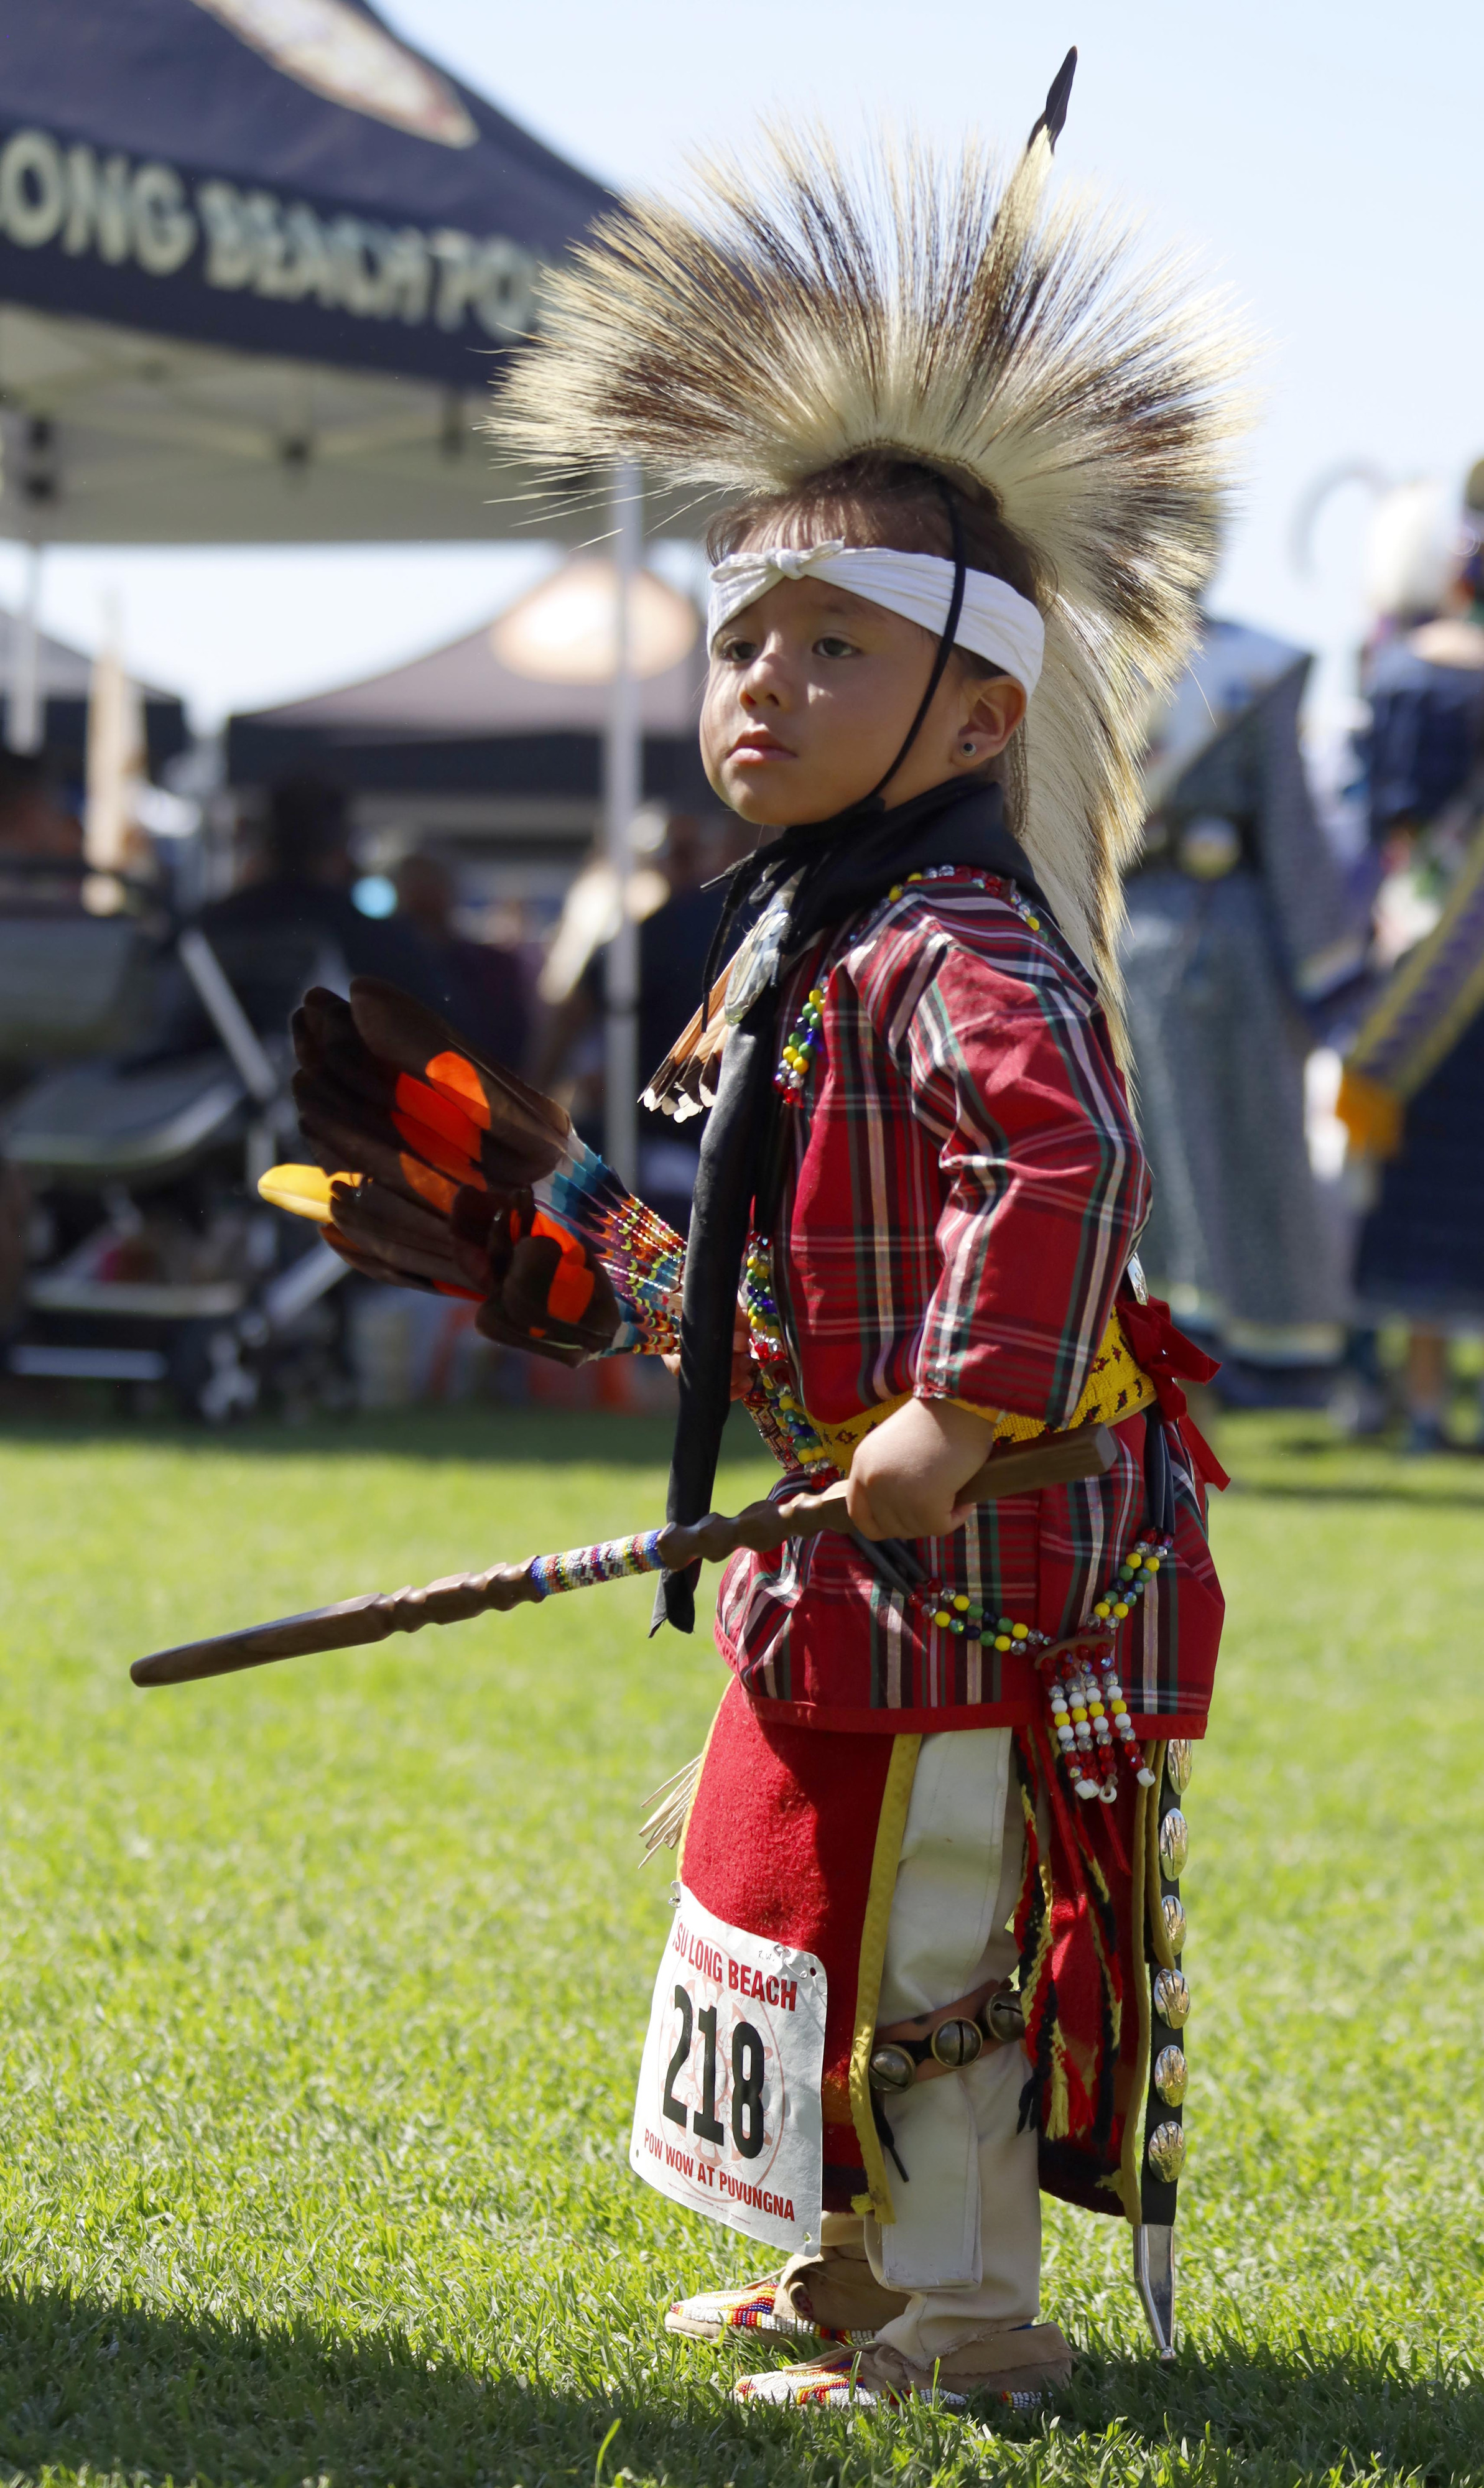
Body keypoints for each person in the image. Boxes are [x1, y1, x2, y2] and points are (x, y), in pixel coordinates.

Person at [483, 54, 1235, 2410]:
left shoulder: (960, 947)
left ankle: (966, 2314)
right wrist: (593, 1258)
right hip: (854, 1539)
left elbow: (1061, 1168)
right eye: (743, 642)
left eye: (832, 649)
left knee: (935, 1927)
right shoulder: (805, 935)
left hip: (986, 1548)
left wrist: (956, 1405)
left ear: (976, 712)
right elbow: (773, 1233)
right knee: (799, 1883)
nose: (763, 688)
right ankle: (842, 2264)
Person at [1120, 620, 1360, 1401]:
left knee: (1176, 1149)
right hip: (1210, 938)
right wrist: (1330, 970)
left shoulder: (1087, 654)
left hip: (1133, 933)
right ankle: (1195, 1354)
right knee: (1207, 1146)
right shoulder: (1250, 669)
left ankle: (1189, 1355)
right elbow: (1291, 829)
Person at [194, 774, 447, 1036]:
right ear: (343, 850)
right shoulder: (384, 943)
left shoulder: (208, 929)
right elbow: (441, 1031)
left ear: (266, 846)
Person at [392, 850, 531, 1072]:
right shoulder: (383, 963)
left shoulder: (494, 966)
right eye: (414, 887)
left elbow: (513, 1039)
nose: (423, 897)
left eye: (430, 886)